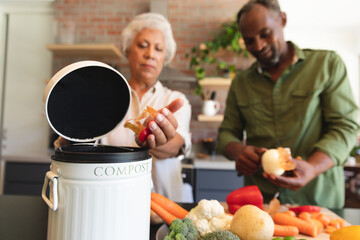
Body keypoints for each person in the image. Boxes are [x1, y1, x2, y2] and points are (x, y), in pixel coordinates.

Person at [216, 0, 359, 209]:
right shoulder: (242, 82)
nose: (258, 46)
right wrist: (238, 151)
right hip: (261, 205)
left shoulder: (326, 65)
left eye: (265, 34)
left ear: (282, 20)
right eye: (249, 41)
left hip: (317, 202)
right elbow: (227, 133)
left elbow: (345, 127)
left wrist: (312, 167)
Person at [55, 13, 192, 202]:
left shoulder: (175, 99)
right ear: (128, 50)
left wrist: (159, 138)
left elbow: (177, 145)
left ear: (164, 58)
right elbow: (80, 147)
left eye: (158, 49)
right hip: (111, 201)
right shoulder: (105, 100)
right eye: (143, 45)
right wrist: (73, 131)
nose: (150, 54)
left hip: (163, 209)